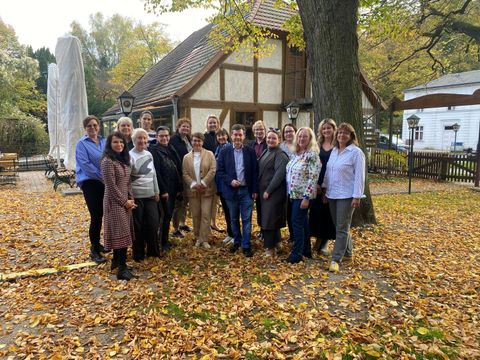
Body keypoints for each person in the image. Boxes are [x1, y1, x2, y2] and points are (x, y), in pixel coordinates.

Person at [323, 123, 365, 273]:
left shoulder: (356, 152)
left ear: (351, 136)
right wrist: (325, 189)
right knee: (341, 226)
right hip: (332, 194)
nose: (342, 135)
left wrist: (357, 196)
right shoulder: (334, 151)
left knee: (341, 228)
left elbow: (360, 176)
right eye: (339, 133)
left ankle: (336, 259)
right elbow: (328, 172)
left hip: (347, 195)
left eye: (345, 133)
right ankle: (348, 253)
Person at [217, 124, 258, 257]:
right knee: (234, 219)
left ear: (244, 136)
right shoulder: (225, 151)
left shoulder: (250, 151)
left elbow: (255, 172)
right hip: (231, 191)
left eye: (240, 134)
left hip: (246, 191)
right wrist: (230, 181)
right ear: (231, 136)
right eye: (235, 135)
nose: (238, 137)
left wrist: (255, 189)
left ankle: (246, 245)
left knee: (247, 219)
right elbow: (220, 171)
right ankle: (237, 241)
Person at [101, 132, 136, 280]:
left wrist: (130, 198)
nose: (119, 145)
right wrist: (124, 202)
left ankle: (117, 261)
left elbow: (127, 181)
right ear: (109, 144)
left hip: (125, 201)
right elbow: (111, 186)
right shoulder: (107, 161)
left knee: (122, 231)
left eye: (121, 142)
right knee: (120, 233)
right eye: (115, 142)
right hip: (114, 202)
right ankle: (122, 269)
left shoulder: (123, 159)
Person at [285, 127, 321, 264]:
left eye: (304, 137)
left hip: (303, 196)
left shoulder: (312, 155)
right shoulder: (297, 154)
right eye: (299, 136)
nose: (301, 139)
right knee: (303, 223)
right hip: (294, 194)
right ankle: (306, 249)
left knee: (296, 223)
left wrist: (306, 197)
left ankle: (297, 254)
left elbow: (313, 177)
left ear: (310, 139)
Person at [75, 115, 107, 264]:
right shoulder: (81, 144)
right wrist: (102, 176)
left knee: (106, 213)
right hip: (91, 183)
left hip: (105, 182)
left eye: (95, 125)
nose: (92, 128)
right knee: (96, 215)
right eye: (89, 126)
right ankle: (94, 249)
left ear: (98, 126)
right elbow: (85, 164)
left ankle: (100, 243)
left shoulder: (104, 141)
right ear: (85, 128)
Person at [150, 126, 183, 252]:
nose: (164, 138)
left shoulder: (170, 148)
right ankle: (161, 243)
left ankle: (165, 240)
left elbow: (176, 168)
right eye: (161, 136)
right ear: (157, 137)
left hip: (173, 188)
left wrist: (179, 188)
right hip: (164, 189)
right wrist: (163, 190)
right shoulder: (155, 151)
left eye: (166, 135)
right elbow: (156, 172)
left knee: (168, 215)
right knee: (163, 217)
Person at [129, 128, 160, 261]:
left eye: (144, 138)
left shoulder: (149, 154)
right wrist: (129, 197)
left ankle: (153, 251)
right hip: (136, 197)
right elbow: (127, 179)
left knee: (153, 224)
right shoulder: (129, 156)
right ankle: (138, 254)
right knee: (138, 227)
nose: (142, 141)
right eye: (139, 138)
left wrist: (156, 190)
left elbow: (153, 174)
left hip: (150, 195)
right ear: (133, 140)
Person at [258, 128, 289, 257]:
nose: (270, 140)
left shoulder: (280, 155)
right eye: (269, 138)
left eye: (274, 138)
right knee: (269, 218)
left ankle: (269, 248)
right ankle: (277, 243)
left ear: (279, 140)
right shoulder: (266, 151)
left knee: (269, 220)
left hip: (273, 193)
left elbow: (279, 175)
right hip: (263, 192)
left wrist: (268, 191)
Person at [183, 133, 217, 248]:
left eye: (199, 141)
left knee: (206, 214)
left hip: (207, 190)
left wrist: (203, 183)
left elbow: (212, 170)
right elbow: (185, 173)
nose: (197, 143)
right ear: (191, 142)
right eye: (194, 141)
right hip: (193, 191)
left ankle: (204, 239)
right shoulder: (186, 157)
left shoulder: (209, 154)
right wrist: (193, 184)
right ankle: (198, 237)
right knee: (196, 215)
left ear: (202, 142)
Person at [309, 118, 337, 256]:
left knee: (328, 214)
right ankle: (317, 241)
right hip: (317, 183)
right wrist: (316, 183)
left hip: (332, 183)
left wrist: (327, 188)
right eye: (324, 128)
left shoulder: (338, 145)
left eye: (329, 128)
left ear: (333, 129)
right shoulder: (317, 145)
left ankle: (324, 243)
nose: (326, 131)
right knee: (316, 213)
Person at [169, 117, 193, 237]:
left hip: (188, 175)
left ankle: (182, 223)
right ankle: (175, 227)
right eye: (183, 126)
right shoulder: (173, 140)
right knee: (178, 202)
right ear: (178, 127)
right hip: (178, 174)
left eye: (187, 127)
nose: (185, 128)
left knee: (185, 201)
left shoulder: (187, 139)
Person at [203, 115, 223, 232]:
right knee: (207, 200)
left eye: (214, 123)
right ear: (207, 124)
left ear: (218, 124)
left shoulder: (221, 136)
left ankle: (213, 223)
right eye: (210, 123)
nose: (212, 125)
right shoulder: (204, 137)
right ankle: (206, 225)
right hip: (207, 173)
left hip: (219, 174)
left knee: (215, 201)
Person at [214, 128, 234, 245]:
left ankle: (235, 234)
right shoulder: (218, 149)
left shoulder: (230, 148)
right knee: (226, 211)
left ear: (227, 136)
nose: (221, 137)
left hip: (228, 185)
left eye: (223, 135)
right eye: (219, 136)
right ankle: (230, 233)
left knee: (231, 212)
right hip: (220, 185)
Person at [279, 123, 297, 241]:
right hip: (283, 183)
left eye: (291, 131)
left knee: (296, 212)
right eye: (286, 132)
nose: (288, 133)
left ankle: (297, 235)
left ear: (295, 132)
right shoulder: (281, 147)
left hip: (297, 184)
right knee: (288, 212)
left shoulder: (299, 145)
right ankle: (291, 235)